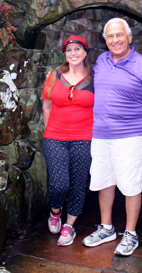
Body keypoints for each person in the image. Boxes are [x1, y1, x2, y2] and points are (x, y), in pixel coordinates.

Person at [82, 18, 142, 256]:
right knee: (104, 181)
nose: (115, 40)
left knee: (131, 185)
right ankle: (107, 229)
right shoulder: (102, 61)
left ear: (129, 37)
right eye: (110, 37)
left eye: (119, 35)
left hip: (131, 136)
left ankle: (130, 233)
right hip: (101, 135)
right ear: (105, 41)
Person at [42, 35, 94, 247]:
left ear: (85, 53)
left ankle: (69, 225)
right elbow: (46, 106)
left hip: (84, 138)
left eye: (77, 49)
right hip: (55, 137)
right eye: (69, 50)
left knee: (78, 184)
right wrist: (49, 131)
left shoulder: (94, 78)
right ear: (65, 54)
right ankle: (55, 212)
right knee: (59, 183)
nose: (73, 53)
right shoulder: (54, 76)